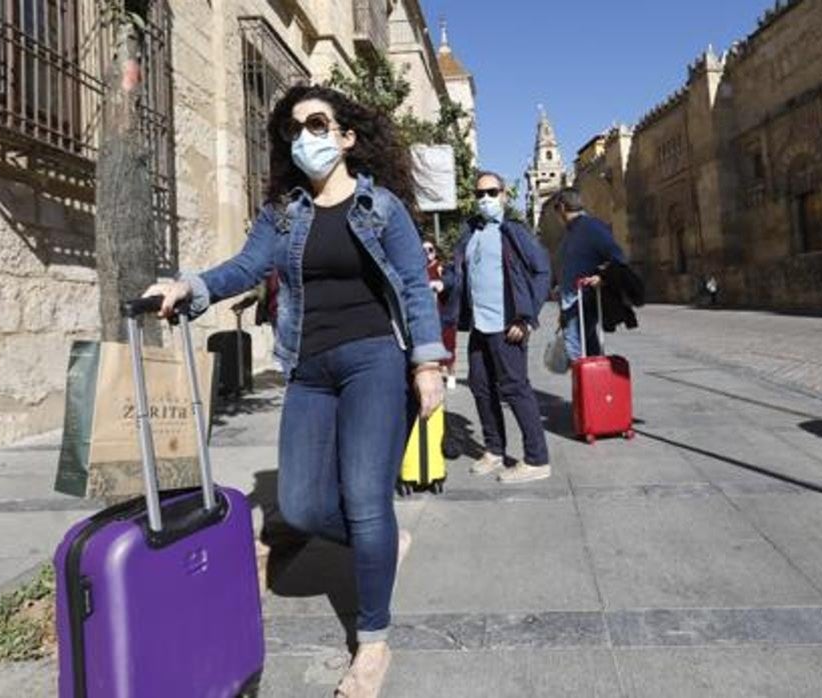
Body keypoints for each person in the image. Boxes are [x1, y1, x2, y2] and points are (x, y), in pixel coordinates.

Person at [143, 84, 447, 698]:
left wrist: (426, 364)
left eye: (317, 123)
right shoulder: (283, 214)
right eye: (294, 129)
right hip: (309, 367)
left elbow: (415, 287)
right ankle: (384, 540)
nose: (305, 136)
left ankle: (373, 641)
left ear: (346, 136)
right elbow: (244, 268)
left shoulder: (381, 207)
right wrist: (188, 286)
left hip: (373, 363)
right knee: (305, 507)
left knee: (365, 497)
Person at [443, 172, 553, 483]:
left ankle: (537, 459)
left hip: (508, 325)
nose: (485, 199)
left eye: (492, 192)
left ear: (504, 195)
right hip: (480, 326)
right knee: (480, 387)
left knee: (515, 388)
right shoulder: (470, 234)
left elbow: (543, 271)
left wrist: (526, 317)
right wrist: (442, 284)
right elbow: (458, 274)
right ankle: (494, 449)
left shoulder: (513, 232)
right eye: (480, 194)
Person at [550, 188, 627, 359]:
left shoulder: (591, 228)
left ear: (562, 207)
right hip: (570, 304)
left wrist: (602, 277)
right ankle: (596, 386)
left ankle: (589, 385)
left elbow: (617, 257)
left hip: (584, 302)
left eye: (555, 209)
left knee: (575, 351)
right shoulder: (571, 232)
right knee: (589, 351)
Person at [423, 240, 457, 389]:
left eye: (430, 250)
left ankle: (451, 374)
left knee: (448, 347)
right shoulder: (418, 270)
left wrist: (440, 283)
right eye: (423, 251)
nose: (427, 253)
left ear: (435, 252)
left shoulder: (442, 267)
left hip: (444, 315)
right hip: (427, 317)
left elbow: (451, 280)